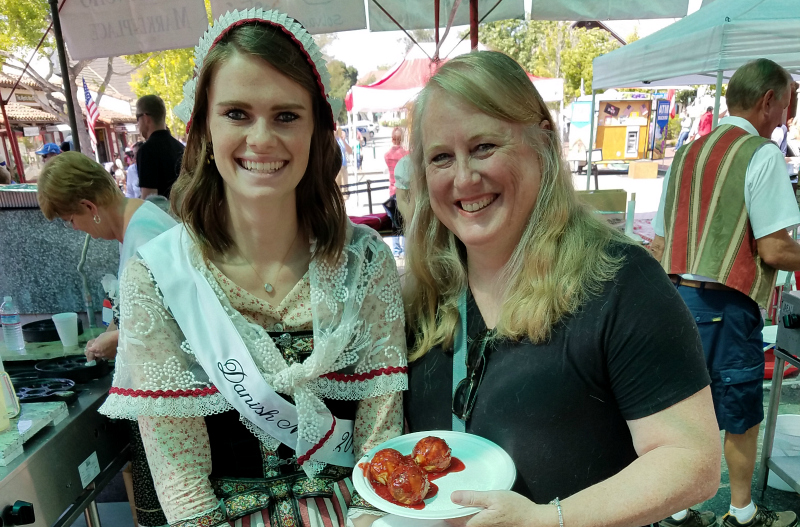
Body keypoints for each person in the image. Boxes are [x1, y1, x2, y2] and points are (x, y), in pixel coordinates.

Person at [98, 11, 407, 527]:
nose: (261, 139)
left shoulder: (364, 260)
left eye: (286, 115)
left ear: (317, 129)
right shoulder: (158, 275)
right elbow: (183, 482)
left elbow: (381, 442)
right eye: (237, 113)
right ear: (203, 127)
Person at [404, 51, 720, 527]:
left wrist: (549, 521)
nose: (464, 178)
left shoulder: (620, 281)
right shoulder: (422, 294)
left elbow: (692, 461)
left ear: (544, 143)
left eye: (485, 146)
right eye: (441, 157)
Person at [652, 58, 800, 527]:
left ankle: (678, 510)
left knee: (682, 411)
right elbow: (775, 249)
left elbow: (659, 242)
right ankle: (741, 512)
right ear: (767, 100)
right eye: (788, 103)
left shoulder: (686, 153)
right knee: (739, 414)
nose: (789, 116)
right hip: (727, 307)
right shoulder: (761, 154)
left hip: (676, 300)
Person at [37, 150, 176, 527]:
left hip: (172, 405)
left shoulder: (145, 233)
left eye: (71, 219)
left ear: (88, 205)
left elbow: (175, 323)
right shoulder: (139, 222)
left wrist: (116, 339)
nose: (76, 229)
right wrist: (118, 331)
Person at [135, 94, 185, 199]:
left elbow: (150, 199)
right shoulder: (181, 148)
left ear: (145, 118)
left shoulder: (146, 151)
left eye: (137, 118)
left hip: (163, 214)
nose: (137, 124)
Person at [384, 128, 409, 257]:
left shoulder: (387, 155)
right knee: (404, 219)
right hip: (403, 190)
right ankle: (404, 249)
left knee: (394, 221)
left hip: (391, 190)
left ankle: (396, 249)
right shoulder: (406, 154)